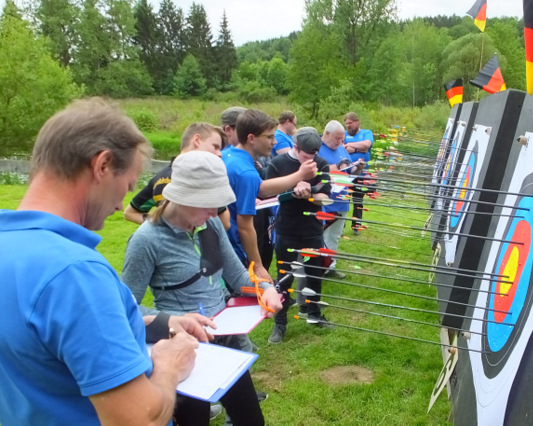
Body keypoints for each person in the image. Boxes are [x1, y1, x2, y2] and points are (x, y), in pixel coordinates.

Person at [0, 98, 209, 425]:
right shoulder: (74, 273)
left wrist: (157, 322)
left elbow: (44, 339)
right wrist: (170, 365)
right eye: (125, 187)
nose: (119, 206)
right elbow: (141, 420)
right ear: (102, 165)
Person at [122, 151, 283, 426]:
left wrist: (265, 288)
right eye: (208, 204)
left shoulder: (210, 225)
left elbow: (237, 275)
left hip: (226, 341)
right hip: (183, 350)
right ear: (182, 197)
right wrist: (173, 322)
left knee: (252, 421)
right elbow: (125, 310)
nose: (215, 212)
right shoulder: (146, 241)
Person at [222, 109, 318, 284]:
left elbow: (262, 189)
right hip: (235, 251)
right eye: (269, 137)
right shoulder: (245, 172)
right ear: (251, 138)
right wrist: (258, 266)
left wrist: (299, 175)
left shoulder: (230, 154)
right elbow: (245, 226)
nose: (274, 142)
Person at [266, 127, 333, 344]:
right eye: (306, 156)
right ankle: (280, 323)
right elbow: (268, 194)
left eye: (313, 155)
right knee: (285, 277)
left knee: (314, 274)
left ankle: (314, 314)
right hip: (287, 229)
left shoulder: (321, 164)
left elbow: (325, 197)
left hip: (312, 230)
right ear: (295, 147)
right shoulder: (277, 164)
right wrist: (294, 188)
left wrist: (311, 192)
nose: (310, 160)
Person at [123, 122, 230, 229]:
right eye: (215, 147)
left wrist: (158, 226)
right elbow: (225, 223)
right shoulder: (200, 179)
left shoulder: (160, 177)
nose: (219, 154)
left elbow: (130, 212)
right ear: (196, 140)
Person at [318, 120, 364, 279]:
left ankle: (330, 266)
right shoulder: (316, 149)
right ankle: (316, 267)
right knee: (320, 237)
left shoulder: (342, 150)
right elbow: (316, 171)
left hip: (341, 200)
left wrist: (357, 167)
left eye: (342, 139)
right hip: (323, 202)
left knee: (334, 236)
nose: (340, 142)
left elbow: (350, 172)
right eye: (337, 138)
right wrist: (337, 166)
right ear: (327, 134)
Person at [343, 112, 374, 234]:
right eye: (346, 124)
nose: (348, 126)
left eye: (350, 123)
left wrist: (350, 146)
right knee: (343, 198)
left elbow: (366, 145)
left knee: (358, 198)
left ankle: (356, 225)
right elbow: (340, 147)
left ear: (357, 122)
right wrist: (358, 148)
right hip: (346, 171)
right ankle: (340, 224)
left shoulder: (366, 133)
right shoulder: (344, 134)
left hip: (361, 172)